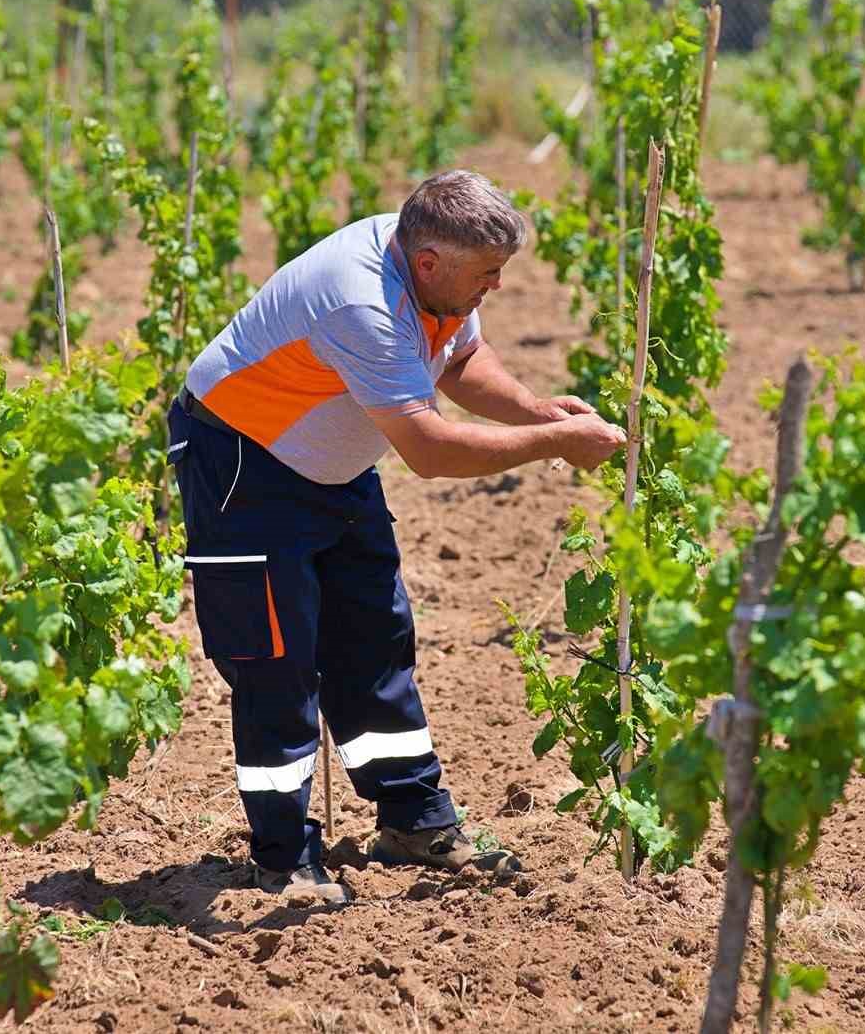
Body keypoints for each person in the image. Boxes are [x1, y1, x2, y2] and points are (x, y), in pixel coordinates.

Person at [168, 169, 627, 903]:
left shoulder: (435, 269)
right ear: (427, 263)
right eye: (488, 275)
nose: (496, 289)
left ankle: (413, 821)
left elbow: (464, 360)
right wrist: (556, 446)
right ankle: (284, 858)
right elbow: (432, 451)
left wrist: (541, 412)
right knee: (276, 662)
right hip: (243, 461)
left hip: (331, 462)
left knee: (375, 633)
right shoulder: (362, 302)